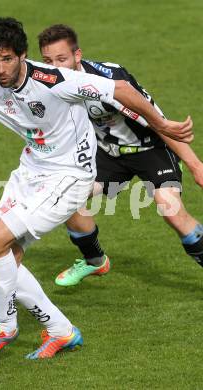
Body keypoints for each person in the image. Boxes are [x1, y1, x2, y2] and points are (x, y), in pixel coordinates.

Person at [0, 17, 193, 359]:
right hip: (31, 171)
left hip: (70, 176)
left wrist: (160, 123)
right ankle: (61, 331)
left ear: (22, 55)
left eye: (7, 58)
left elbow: (121, 90)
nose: (0, 67)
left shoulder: (54, 80)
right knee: (4, 257)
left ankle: (4, 327)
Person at [37, 24, 203, 287]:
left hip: (149, 148)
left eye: (61, 59)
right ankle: (95, 262)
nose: (55, 66)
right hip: (107, 155)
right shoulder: (47, 85)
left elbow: (158, 122)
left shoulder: (108, 83)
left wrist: (195, 165)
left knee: (170, 209)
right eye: (48, 61)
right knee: (65, 196)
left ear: (77, 55)